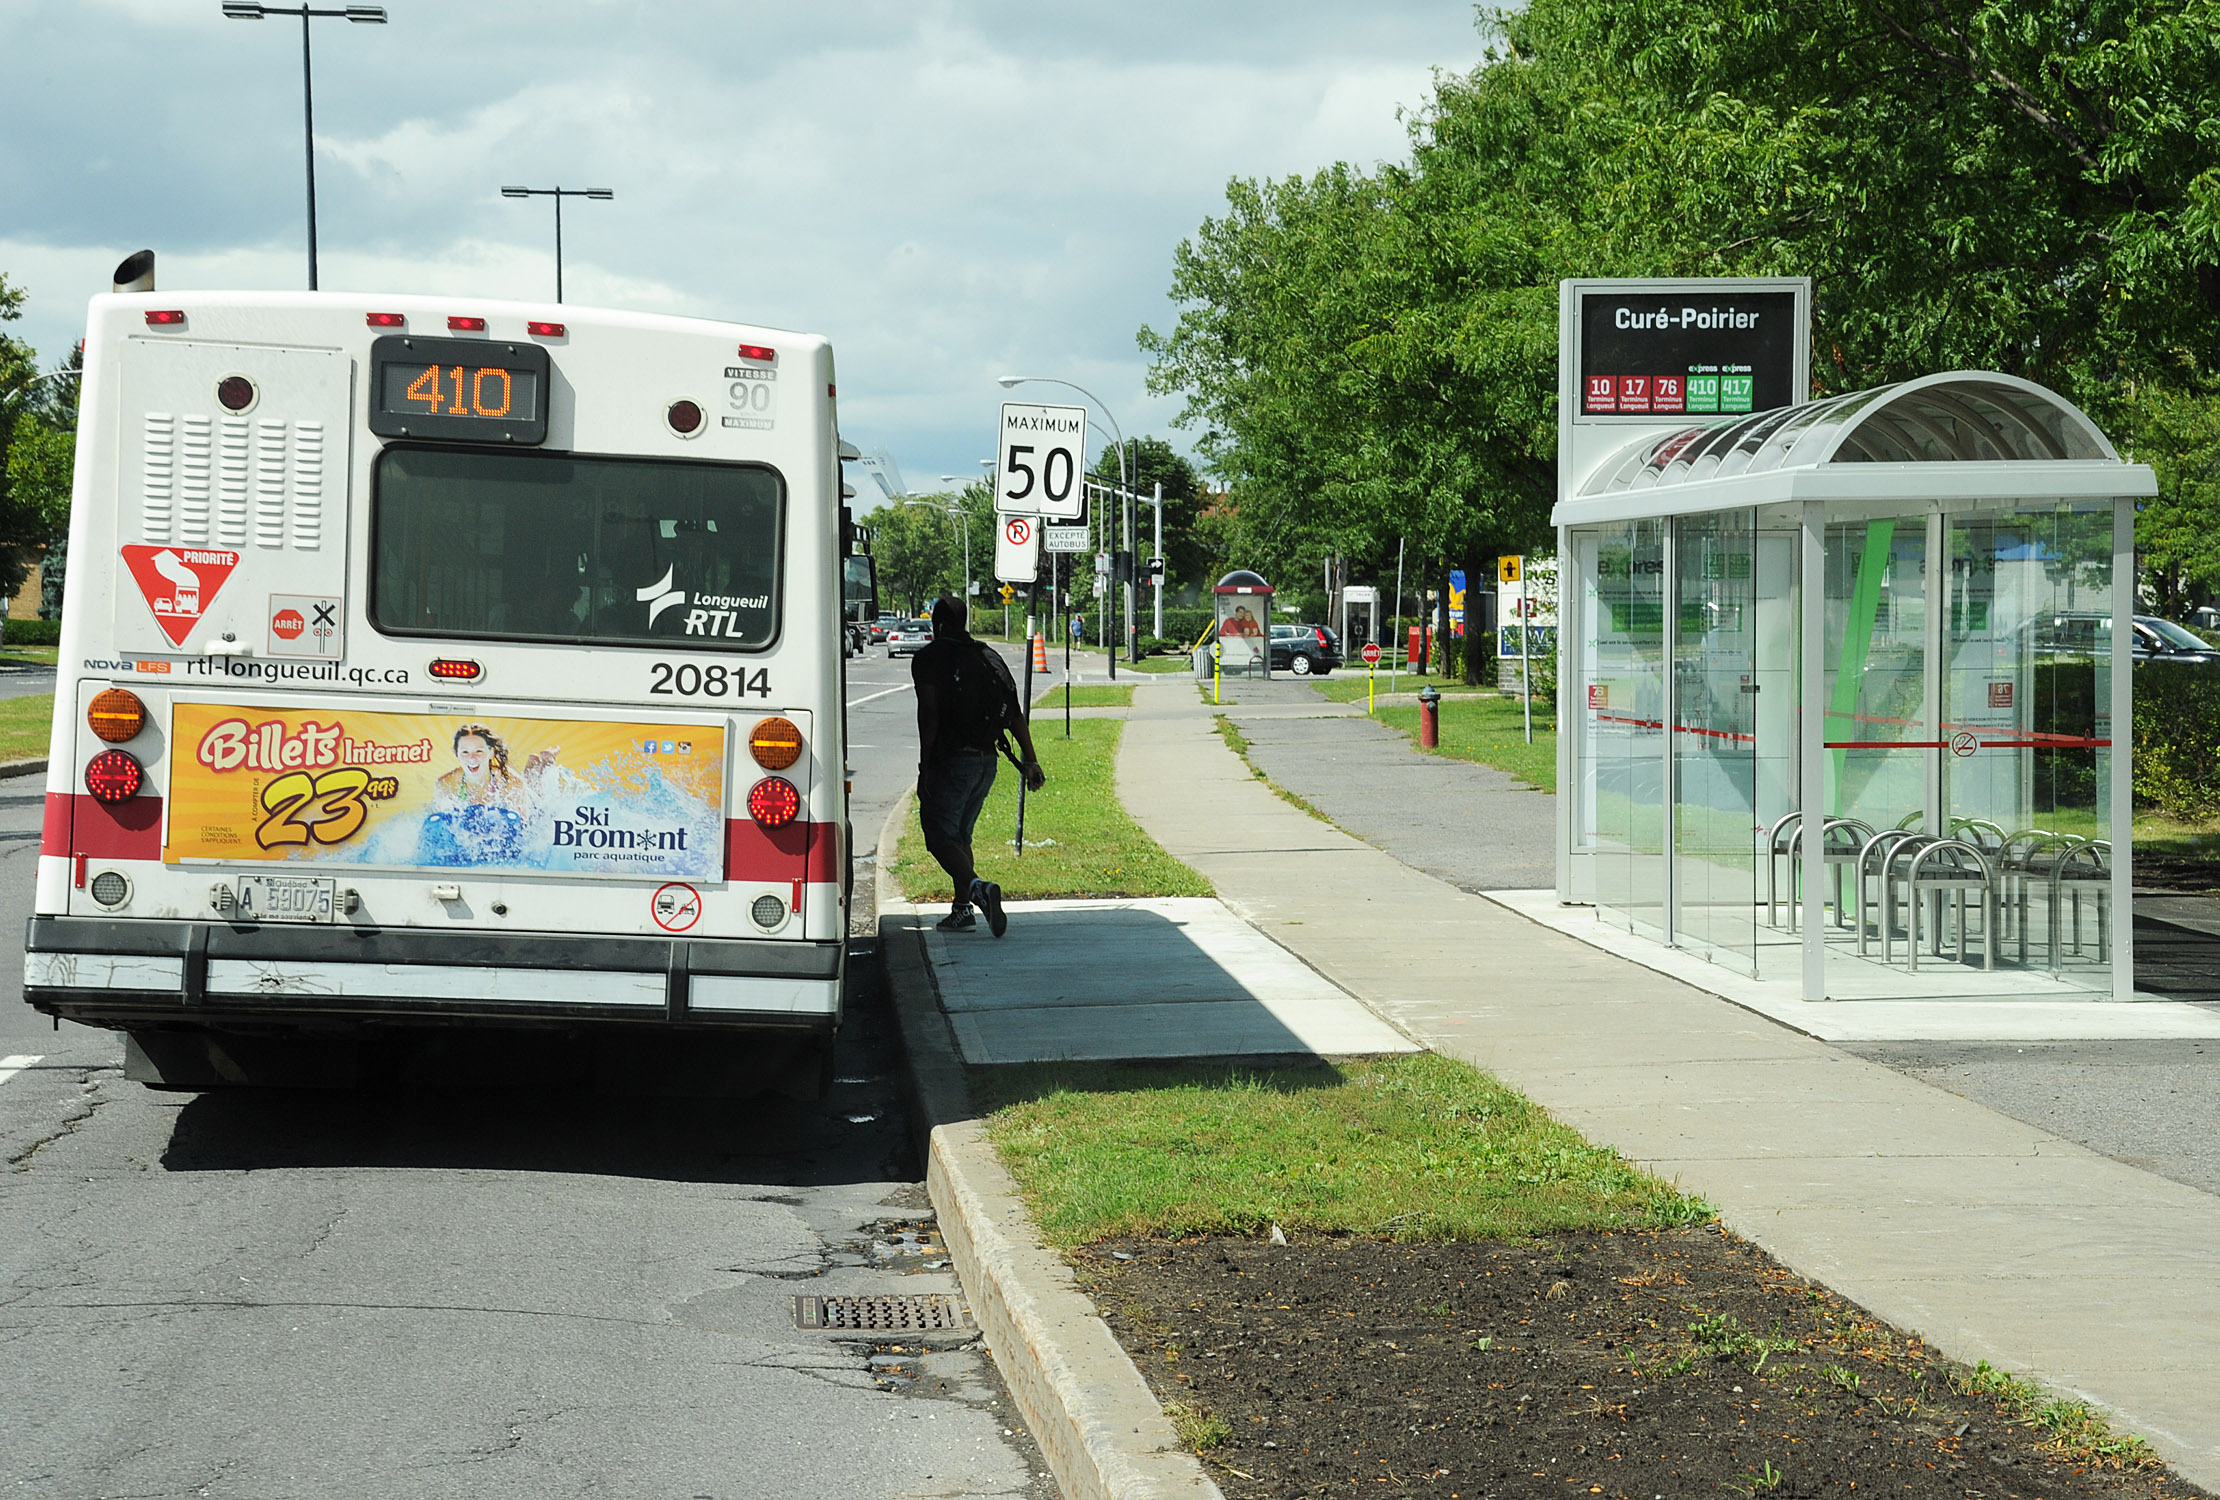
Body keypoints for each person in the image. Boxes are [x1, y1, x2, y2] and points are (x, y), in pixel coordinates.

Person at [912, 596, 1044, 936]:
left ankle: (977, 889)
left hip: (954, 761)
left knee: (939, 835)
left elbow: (929, 713)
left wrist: (926, 767)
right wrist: (1030, 760)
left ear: (937, 625)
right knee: (960, 835)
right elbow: (1015, 714)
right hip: (987, 762)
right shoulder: (988, 656)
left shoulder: (929, 658)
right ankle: (962, 911)